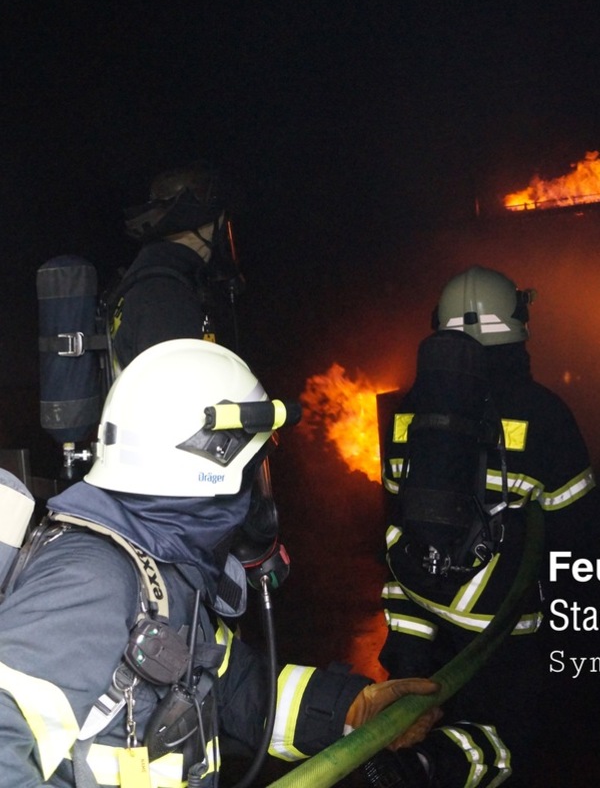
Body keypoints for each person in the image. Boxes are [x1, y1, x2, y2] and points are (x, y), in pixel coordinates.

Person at [0, 338, 440, 787]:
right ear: (211, 464)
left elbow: (233, 687)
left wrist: (349, 710)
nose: (257, 499)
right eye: (251, 473)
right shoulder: (94, 579)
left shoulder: (166, 573)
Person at [376, 266, 597, 787]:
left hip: (418, 615)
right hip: (500, 629)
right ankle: (431, 766)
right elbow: (579, 547)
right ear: (518, 323)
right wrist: (578, 659)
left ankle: (419, 759)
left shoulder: (408, 411)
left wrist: (407, 653)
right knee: (509, 740)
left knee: (422, 718)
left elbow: (396, 515)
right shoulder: (544, 413)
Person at [108, 159, 244, 379]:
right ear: (207, 226)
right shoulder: (166, 297)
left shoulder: (147, 274)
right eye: (221, 223)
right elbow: (176, 391)